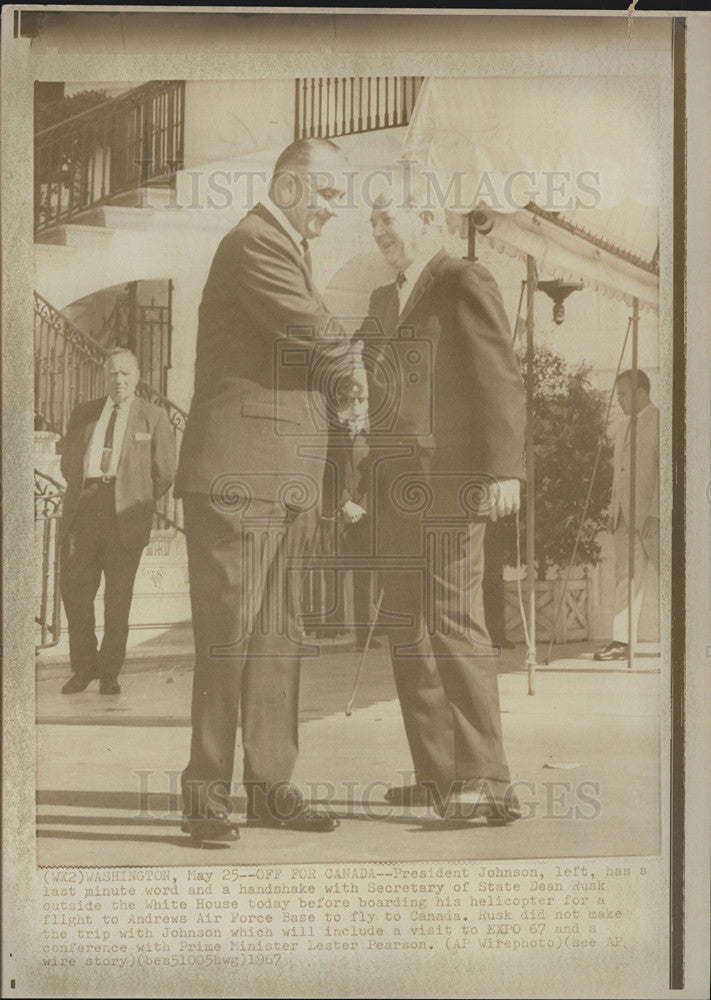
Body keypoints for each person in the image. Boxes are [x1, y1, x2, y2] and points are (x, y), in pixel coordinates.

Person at [174, 137, 363, 843]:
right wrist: (356, 374)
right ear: (287, 185)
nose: (332, 209)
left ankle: (271, 787)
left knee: (277, 639)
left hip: (284, 478)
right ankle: (206, 795)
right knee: (227, 639)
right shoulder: (254, 241)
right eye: (327, 193)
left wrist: (339, 411)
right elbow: (310, 330)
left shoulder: (285, 248)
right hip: (238, 475)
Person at [360, 190, 526, 823]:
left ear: (428, 220)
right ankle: (437, 774)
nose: (379, 230)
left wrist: (504, 469)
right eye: (373, 221)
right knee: (407, 625)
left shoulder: (462, 280)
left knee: (454, 621)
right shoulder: (382, 300)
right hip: (394, 485)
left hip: (452, 482)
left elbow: (499, 376)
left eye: (389, 217)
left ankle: (487, 779)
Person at [58, 347, 176, 695]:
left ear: (137, 377)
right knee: (76, 591)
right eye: (113, 373)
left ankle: (109, 672)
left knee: (118, 598)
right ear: (104, 376)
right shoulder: (84, 413)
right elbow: (69, 464)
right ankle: (83, 668)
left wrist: (134, 497)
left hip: (125, 515)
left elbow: (165, 472)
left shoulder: (152, 417)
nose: (119, 380)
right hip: (85, 509)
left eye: (126, 373)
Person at [594, 369, 659, 661]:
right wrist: (612, 507)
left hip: (653, 517)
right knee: (625, 577)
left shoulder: (663, 422)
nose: (618, 399)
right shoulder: (620, 426)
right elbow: (617, 472)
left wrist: (657, 512)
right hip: (623, 516)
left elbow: (666, 471)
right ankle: (622, 641)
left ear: (641, 393)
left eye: (622, 393)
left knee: (676, 575)